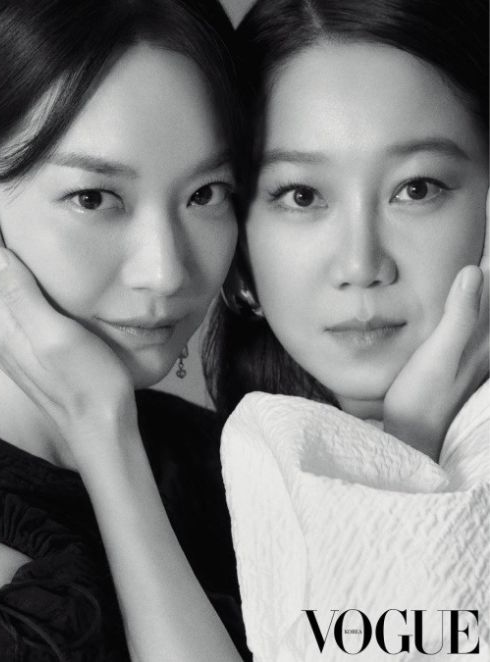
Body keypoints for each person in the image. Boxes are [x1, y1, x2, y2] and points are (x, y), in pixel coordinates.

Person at [0, 0, 250, 660]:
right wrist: (103, 435)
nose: (165, 270)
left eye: (206, 193)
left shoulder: (228, 458)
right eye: (93, 198)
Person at [204, 0, 489, 658]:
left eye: (417, 188)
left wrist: (409, 447)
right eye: (302, 195)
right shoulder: (209, 485)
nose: (361, 265)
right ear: (240, 250)